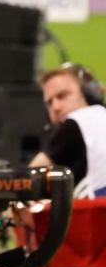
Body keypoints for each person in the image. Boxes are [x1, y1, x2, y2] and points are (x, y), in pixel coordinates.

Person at [30, 63, 106, 197]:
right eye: (50, 102)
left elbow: (26, 180)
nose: (56, 107)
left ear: (87, 93)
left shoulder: (80, 119)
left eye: (62, 95)